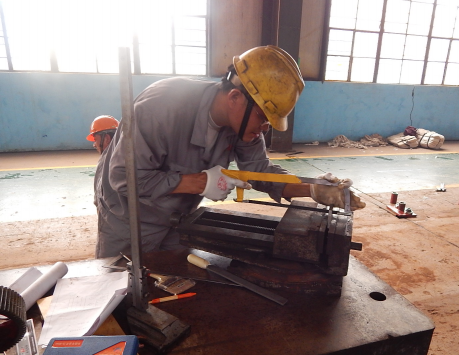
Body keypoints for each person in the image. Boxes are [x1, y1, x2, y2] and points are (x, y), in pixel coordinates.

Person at [95, 45, 365, 258]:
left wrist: (314, 189)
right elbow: (125, 179)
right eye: (263, 118)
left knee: (175, 280)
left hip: (179, 215)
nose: (264, 129)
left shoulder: (244, 124)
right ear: (235, 97)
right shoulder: (161, 107)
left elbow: (260, 171)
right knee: (121, 290)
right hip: (128, 217)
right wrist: (200, 182)